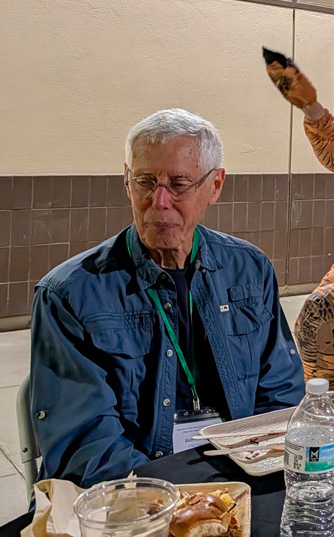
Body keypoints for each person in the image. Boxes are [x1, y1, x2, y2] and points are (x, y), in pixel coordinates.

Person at [29, 109, 304, 486]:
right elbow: (85, 446)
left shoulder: (250, 270)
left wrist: (249, 475)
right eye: (145, 181)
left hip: (241, 470)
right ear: (127, 182)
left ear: (215, 184)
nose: (159, 201)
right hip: (132, 491)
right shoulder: (70, 295)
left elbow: (282, 397)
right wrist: (181, 495)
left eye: (178, 184)